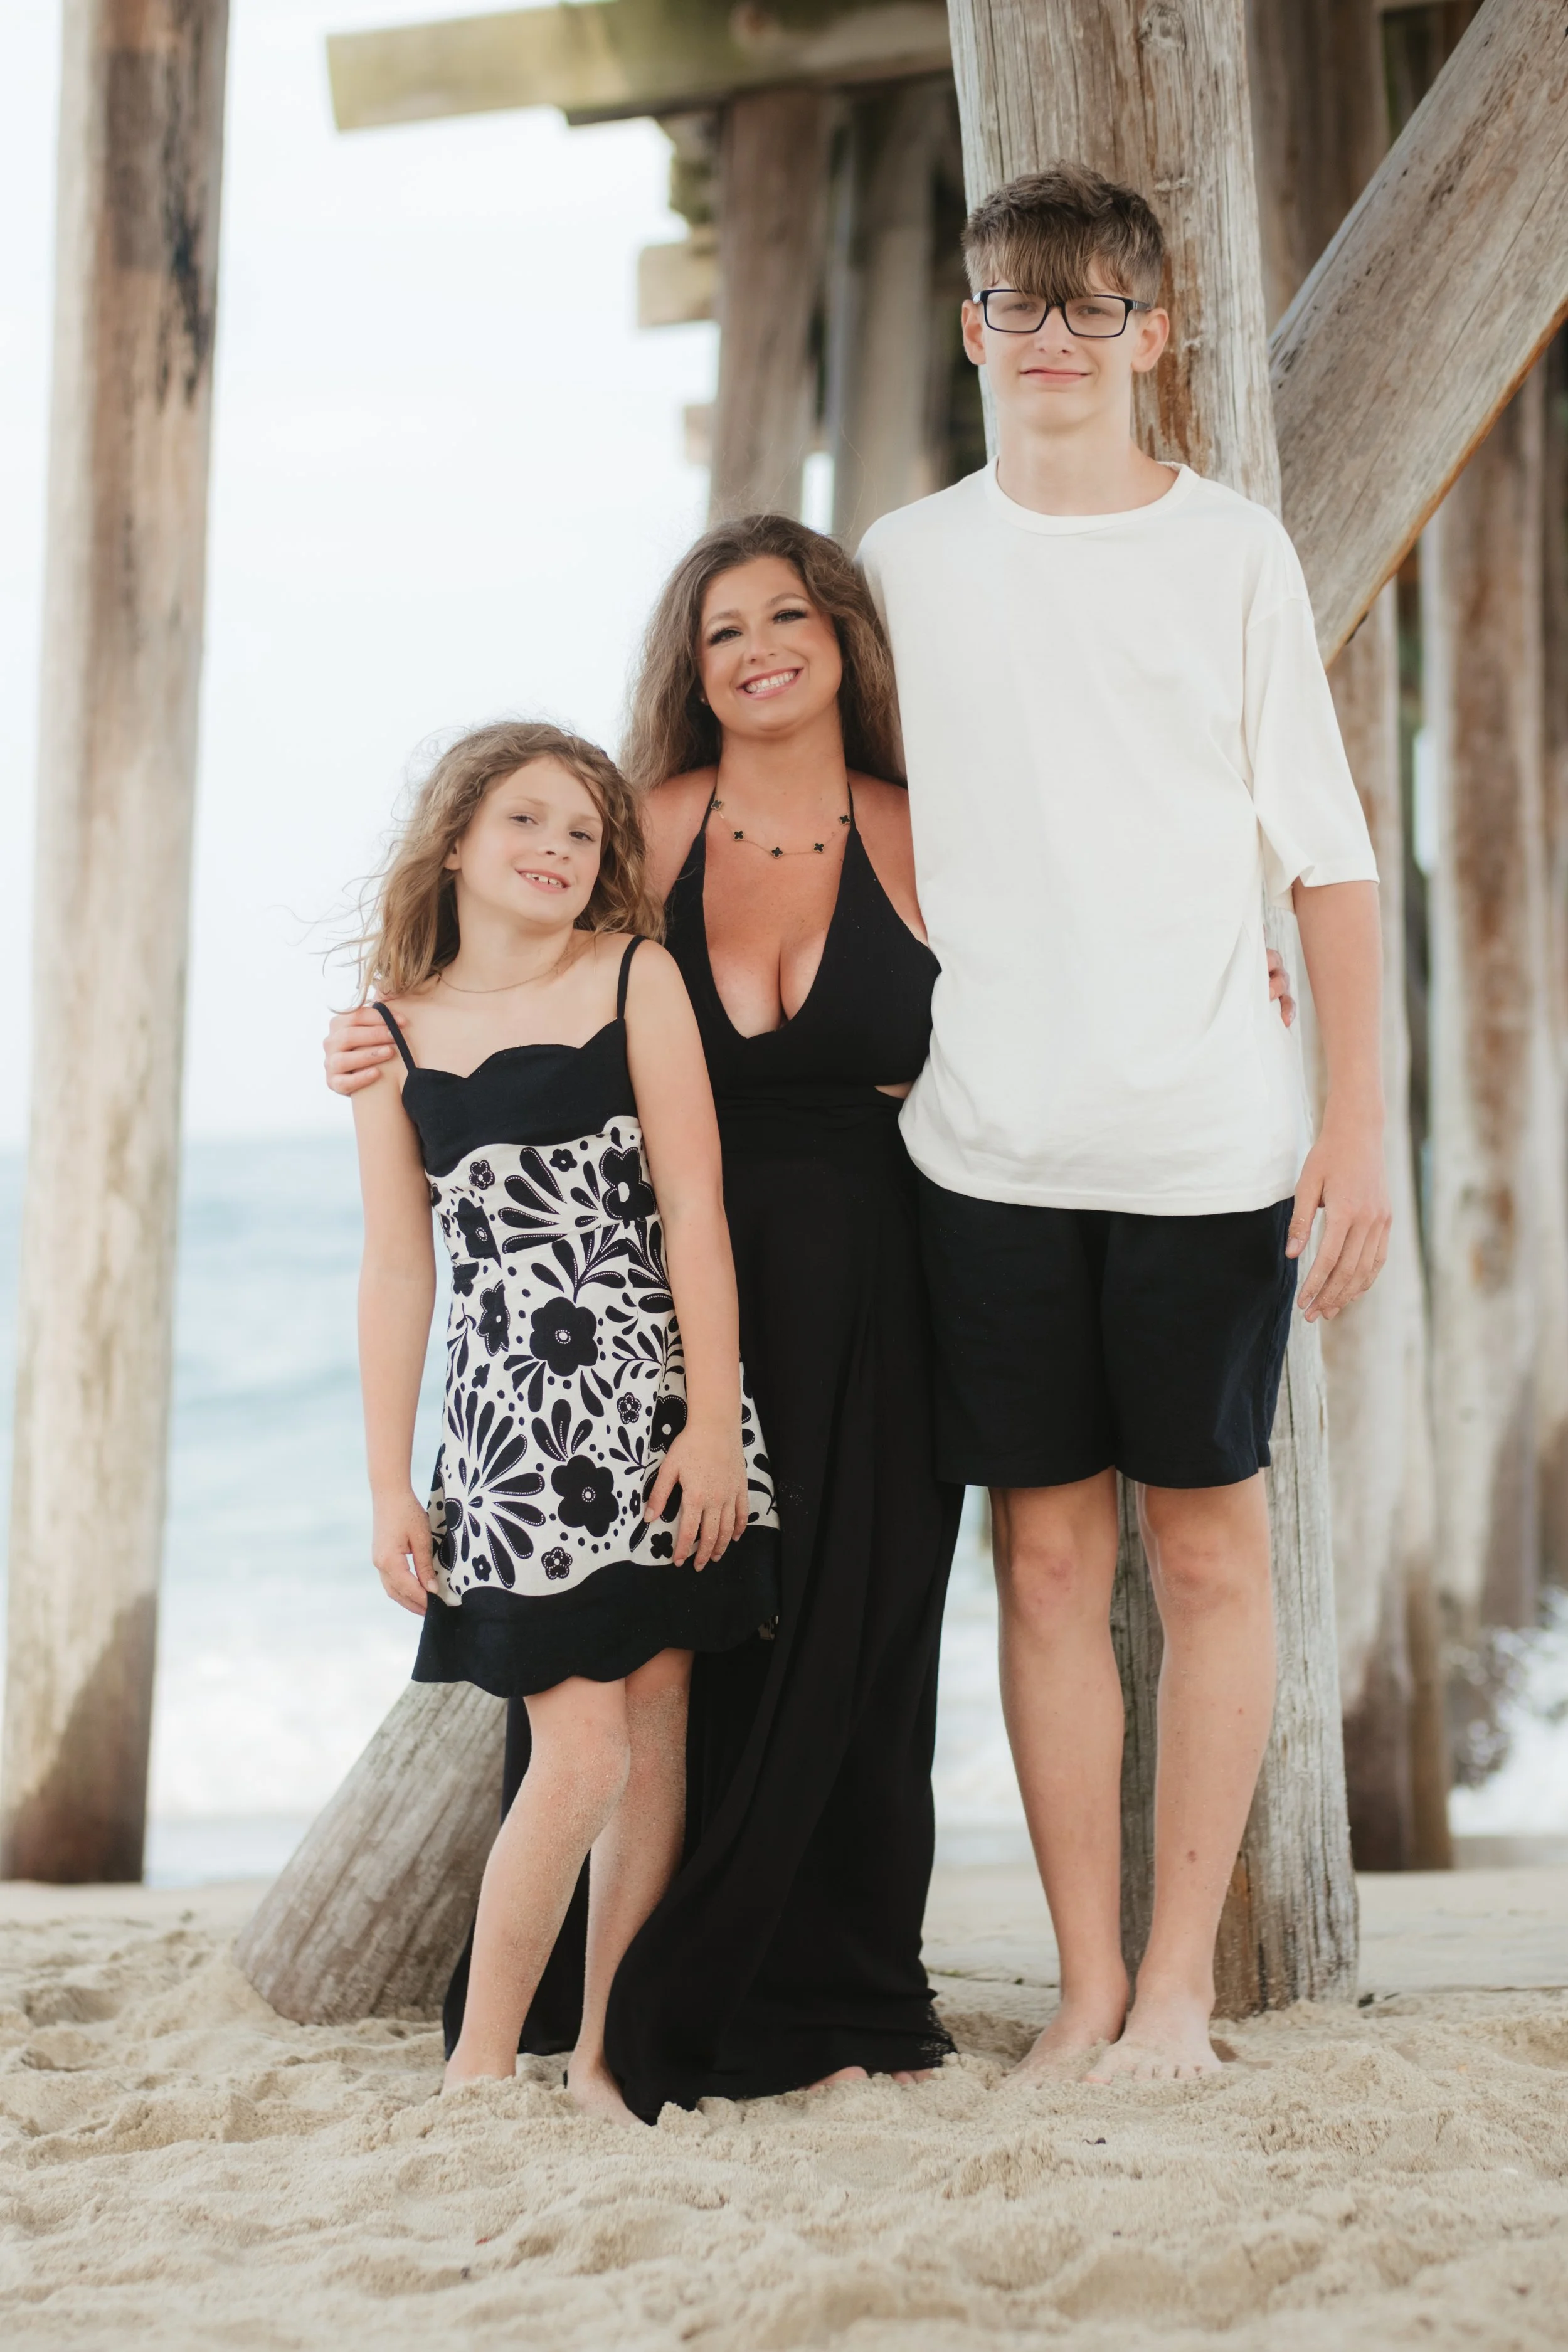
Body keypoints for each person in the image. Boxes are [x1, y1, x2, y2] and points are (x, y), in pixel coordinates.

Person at [327, 527, 1297, 2112]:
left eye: (792, 615)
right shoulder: (645, 826)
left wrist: (1225, 964)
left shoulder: (932, 830)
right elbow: (501, 979)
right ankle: (610, 2008)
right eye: (724, 631)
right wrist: (371, 1048)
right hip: (657, 1304)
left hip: (882, 1282)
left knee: (855, 1628)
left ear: (847, 638)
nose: (761, 647)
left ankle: (831, 1988)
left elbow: (1093, 937)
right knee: (665, 1648)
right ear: (688, 669)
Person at [856, 164, 1388, 2084]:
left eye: (1092, 307)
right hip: (982, 1144)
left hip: (1204, 1143)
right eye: (1017, 304)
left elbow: (1326, 863)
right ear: (970, 327)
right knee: (1050, 1565)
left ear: (1155, 335)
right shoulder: (902, 560)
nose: (1052, 337)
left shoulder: (1229, 551)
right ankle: (1085, 1982)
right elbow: (816, 805)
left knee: (1211, 1557)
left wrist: (1357, 1126)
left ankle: (1180, 1984)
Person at [347, 718, 778, 2122]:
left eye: (582, 833)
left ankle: (600, 2054)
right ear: (458, 837)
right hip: (508, 1442)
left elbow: (695, 1207)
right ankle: (478, 2068)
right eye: (525, 821)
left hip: (651, 1400)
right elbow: (396, 1266)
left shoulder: (634, 974)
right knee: (580, 1744)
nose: (554, 851)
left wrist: (710, 1422)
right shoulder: (389, 1032)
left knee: (654, 1720)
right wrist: (389, 1485)